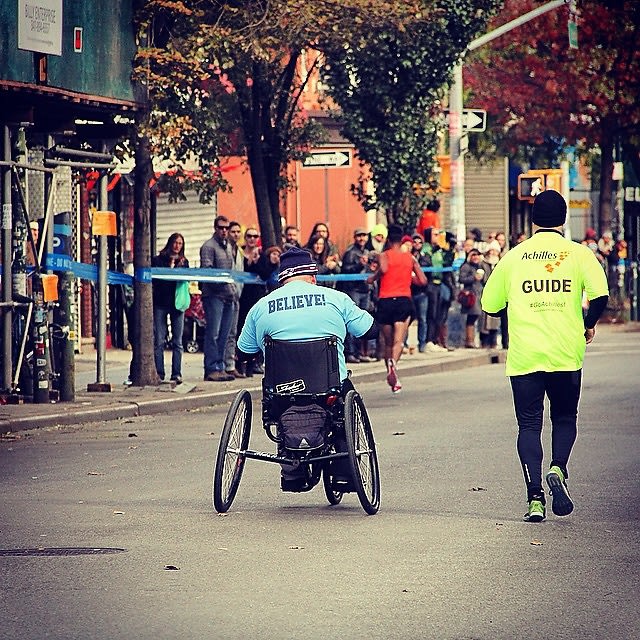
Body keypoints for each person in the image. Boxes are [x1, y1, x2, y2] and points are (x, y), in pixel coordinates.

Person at [481, 190, 609, 523]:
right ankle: (559, 468)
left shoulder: (513, 257)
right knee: (565, 418)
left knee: (528, 425)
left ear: (534, 219)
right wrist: (588, 324)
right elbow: (600, 296)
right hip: (566, 352)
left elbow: (489, 305)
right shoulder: (579, 254)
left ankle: (535, 499)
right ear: (564, 218)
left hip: (525, 355)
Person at [236, 246, 375, 490]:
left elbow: (244, 351)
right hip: (328, 389)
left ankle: (292, 471)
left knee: (279, 406)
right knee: (345, 399)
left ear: (282, 279)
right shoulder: (336, 298)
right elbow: (369, 330)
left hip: (282, 391)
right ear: (313, 277)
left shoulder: (261, 306)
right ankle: (344, 470)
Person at [367, 224, 427, 393]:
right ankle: (394, 367)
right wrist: (409, 278)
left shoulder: (384, 255)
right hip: (403, 300)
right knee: (398, 341)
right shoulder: (410, 258)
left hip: (385, 300)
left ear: (387, 239)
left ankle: (390, 372)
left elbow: (384, 269)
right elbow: (422, 281)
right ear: (401, 239)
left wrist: (373, 277)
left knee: (387, 341)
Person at [200, 215, 237, 382]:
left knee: (225, 333)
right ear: (215, 228)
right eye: (221, 228)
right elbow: (207, 272)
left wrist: (232, 289)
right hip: (214, 295)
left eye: (226, 228)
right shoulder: (208, 246)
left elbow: (231, 271)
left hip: (228, 295)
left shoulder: (228, 245)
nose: (224, 231)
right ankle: (211, 368)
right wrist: (223, 284)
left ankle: (220, 366)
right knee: (213, 333)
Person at [151, 233, 189, 384]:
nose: (177, 246)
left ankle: (176, 373)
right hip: (161, 302)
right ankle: (159, 372)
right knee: (159, 339)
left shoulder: (184, 262)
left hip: (177, 304)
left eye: (180, 243)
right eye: (175, 242)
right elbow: (156, 279)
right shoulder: (158, 260)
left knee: (177, 341)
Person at [339, 228, 374, 364]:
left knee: (362, 323)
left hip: (365, 290)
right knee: (352, 323)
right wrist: (359, 265)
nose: (362, 238)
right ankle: (350, 352)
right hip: (353, 290)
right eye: (359, 236)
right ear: (355, 237)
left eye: (364, 236)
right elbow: (345, 271)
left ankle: (360, 352)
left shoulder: (366, 252)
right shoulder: (350, 252)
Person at [223, 221, 246, 378]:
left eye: (238, 232)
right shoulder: (225, 249)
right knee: (222, 333)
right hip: (225, 296)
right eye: (233, 231)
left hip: (237, 295)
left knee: (233, 332)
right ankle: (221, 365)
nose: (236, 234)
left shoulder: (239, 250)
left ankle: (230, 365)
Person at [458, 248, 485, 348]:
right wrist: (473, 278)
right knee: (471, 317)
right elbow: (461, 279)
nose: (475, 257)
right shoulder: (466, 266)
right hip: (470, 295)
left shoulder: (479, 266)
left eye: (477, 255)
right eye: (473, 255)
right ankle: (469, 340)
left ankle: (472, 340)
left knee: (475, 317)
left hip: (478, 294)